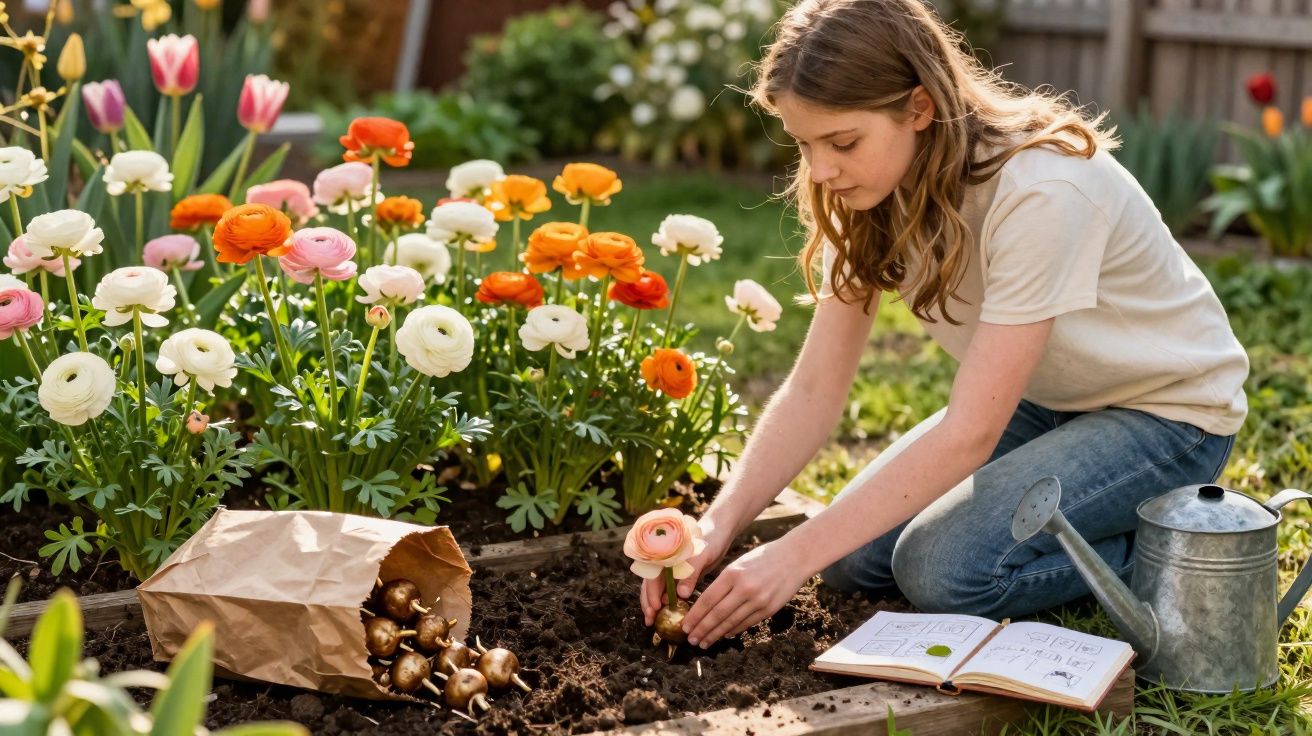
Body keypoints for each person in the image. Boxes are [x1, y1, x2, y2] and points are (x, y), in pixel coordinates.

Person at [639, 0, 1248, 649]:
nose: (819, 170)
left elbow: (969, 433)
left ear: (920, 108)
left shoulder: (1041, 190)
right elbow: (815, 390)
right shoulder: (871, 190)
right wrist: (720, 524)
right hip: (1047, 402)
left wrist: (789, 557)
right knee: (849, 561)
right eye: (803, 143)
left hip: (1168, 416)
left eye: (842, 142)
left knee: (943, 572)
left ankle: (1186, 542)